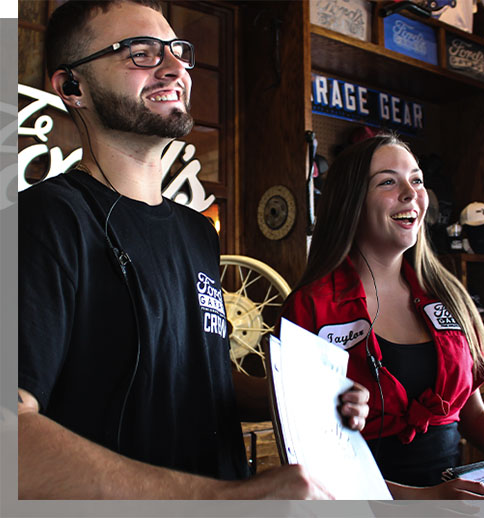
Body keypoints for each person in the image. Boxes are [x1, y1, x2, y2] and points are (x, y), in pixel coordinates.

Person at [17, 0, 369, 500]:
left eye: (177, 51)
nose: (176, 67)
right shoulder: (44, 220)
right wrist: (222, 501)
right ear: (72, 86)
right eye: (139, 53)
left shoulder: (198, 233)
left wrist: (296, 400)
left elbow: (200, 375)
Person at [280, 133, 484, 499]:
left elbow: (474, 416)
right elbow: (308, 457)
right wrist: (424, 500)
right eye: (388, 182)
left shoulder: (448, 295)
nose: (411, 193)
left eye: (417, 180)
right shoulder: (310, 308)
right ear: (352, 201)